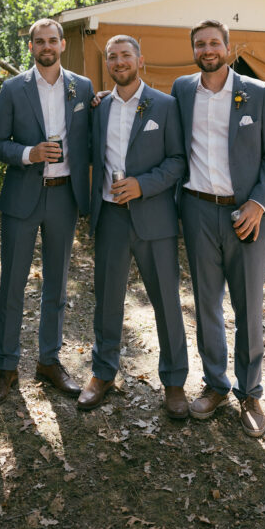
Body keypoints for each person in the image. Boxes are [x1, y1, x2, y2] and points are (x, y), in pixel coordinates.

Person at [171, 19, 265, 438]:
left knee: (248, 307)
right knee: (206, 305)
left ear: (228, 47)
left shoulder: (257, 93)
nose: (208, 49)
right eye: (200, 44)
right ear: (194, 50)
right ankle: (216, 384)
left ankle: (250, 392)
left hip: (247, 215)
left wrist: (258, 204)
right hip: (198, 210)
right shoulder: (182, 90)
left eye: (214, 43)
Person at [77, 35, 189, 418]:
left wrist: (143, 185)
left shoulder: (166, 105)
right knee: (107, 300)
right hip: (110, 216)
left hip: (154, 218)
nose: (119, 61)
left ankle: (174, 382)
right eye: (112, 57)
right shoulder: (99, 107)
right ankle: (103, 373)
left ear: (141, 60)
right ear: (107, 64)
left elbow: (178, 160)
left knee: (167, 304)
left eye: (126, 55)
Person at [0, 18, 93, 405]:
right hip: (22, 197)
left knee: (57, 286)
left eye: (52, 40)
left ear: (63, 45)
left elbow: (92, 132)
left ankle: (48, 361)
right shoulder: (13, 88)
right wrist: (29, 154)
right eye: (39, 41)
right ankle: (6, 366)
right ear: (30, 47)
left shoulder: (82, 87)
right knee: (12, 284)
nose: (46, 46)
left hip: (64, 197)